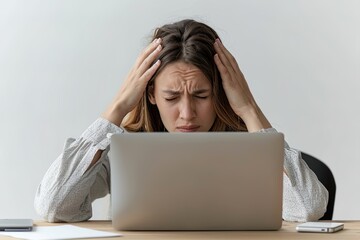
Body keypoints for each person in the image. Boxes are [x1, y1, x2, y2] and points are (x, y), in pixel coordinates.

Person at [34, 19, 328, 223]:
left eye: (201, 95)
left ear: (222, 93)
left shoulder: (250, 148)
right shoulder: (125, 149)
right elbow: (53, 206)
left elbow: (308, 208)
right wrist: (118, 107)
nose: (187, 114)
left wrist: (250, 109)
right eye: (172, 98)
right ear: (150, 94)